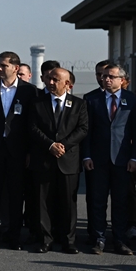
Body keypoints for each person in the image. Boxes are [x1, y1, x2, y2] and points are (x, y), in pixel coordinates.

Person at [0, 51, 38, 249]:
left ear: (15, 67)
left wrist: (30, 151)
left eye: (4, 65)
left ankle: (13, 236)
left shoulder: (29, 91)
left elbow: (32, 124)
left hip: (18, 151)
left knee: (15, 195)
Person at [28, 68, 89, 254]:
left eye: (56, 80)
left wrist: (62, 145)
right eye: (50, 79)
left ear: (68, 84)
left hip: (68, 160)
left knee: (68, 203)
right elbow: (32, 127)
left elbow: (83, 128)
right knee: (43, 201)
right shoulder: (38, 103)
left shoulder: (78, 104)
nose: (51, 82)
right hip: (44, 159)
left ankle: (68, 240)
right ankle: (45, 239)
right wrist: (50, 145)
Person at [83, 63, 136, 256]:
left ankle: (119, 240)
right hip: (98, 159)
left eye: (111, 77)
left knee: (120, 202)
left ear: (121, 80)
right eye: (104, 76)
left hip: (122, 160)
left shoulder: (132, 100)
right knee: (98, 201)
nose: (106, 79)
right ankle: (99, 238)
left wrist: (134, 157)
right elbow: (87, 131)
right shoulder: (91, 99)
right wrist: (87, 155)